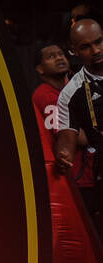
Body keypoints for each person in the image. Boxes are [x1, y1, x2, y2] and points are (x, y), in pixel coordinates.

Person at [33, 42, 97, 217]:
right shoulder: (45, 95)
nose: (59, 58)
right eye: (51, 56)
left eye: (61, 54)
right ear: (40, 69)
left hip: (91, 175)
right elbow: (75, 137)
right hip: (73, 179)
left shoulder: (75, 89)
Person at [55, 19, 103, 236]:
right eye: (85, 46)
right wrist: (63, 155)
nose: (96, 50)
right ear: (73, 51)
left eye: (99, 42)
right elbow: (66, 136)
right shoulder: (70, 93)